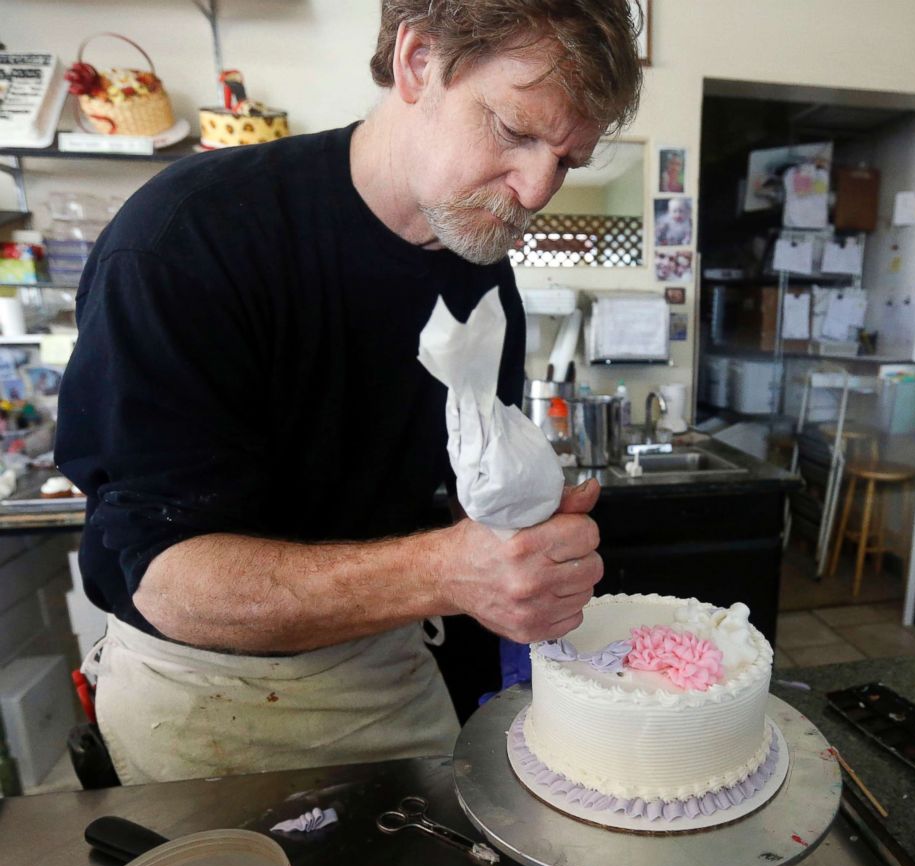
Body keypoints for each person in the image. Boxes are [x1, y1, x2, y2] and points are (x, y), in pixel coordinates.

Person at [54, 0, 642, 785]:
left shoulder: (479, 272)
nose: (538, 191)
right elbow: (165, 580)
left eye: (567, 161)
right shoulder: (190, 240)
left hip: (390, 666)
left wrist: (515, 532)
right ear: (418, 61)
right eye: (514, 131)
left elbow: (454, 501)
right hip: (203, 703)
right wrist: (447, 571)